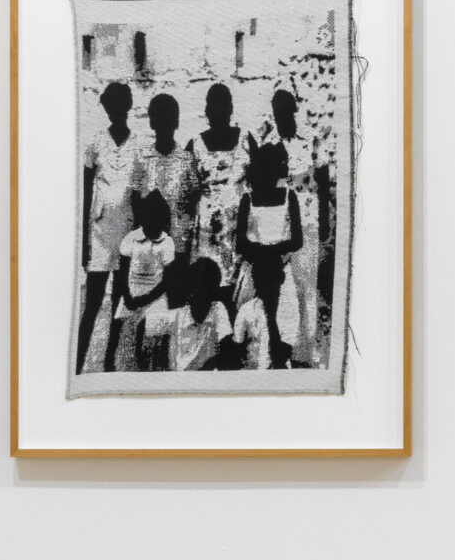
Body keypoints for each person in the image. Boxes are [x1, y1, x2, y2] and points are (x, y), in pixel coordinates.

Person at [76, 81, 140, 374]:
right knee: (92, 301)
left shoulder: (138, 145)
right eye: (110, 106)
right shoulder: (96, 143)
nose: (115, 110)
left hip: (126, 230)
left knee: (118, 301)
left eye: (120, 105)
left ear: (128, 107)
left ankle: (108, 364)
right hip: (100, 233)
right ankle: (78, 362)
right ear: (106, 108)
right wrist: (83, 243)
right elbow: (85, 194)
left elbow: (138, 194)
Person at [259, 88, 321, 365]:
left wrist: (324, 223)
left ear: (293, 111)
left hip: (307, 223)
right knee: (280, 288)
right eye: (277, 112)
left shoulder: (310, 140)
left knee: (306, 288)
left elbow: (323, 178)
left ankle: (307, 350)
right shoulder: (269, 144)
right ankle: (280, 348)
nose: (280, 116)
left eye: (285, 111)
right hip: (279, 225)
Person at [234, 141, 305, 369]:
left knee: (284, 325)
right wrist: (263, 255)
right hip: (255, 272)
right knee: (253, 324)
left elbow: (297, 240)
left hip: (280, 271)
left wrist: (270, 252)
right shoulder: (248, 199)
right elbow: (240, 242)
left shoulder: (289, 197)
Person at [188, 83, 247, 299]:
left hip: (239, 228)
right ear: (206, 110)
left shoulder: (246, 141)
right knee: (209, 287)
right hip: (208, 230)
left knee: (237, 290)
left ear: (231, 109)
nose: (218, 111)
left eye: (223, 105)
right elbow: (188, 192)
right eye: (213, 106)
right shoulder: (195, 145)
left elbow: (261, 182)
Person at [109, 191, 177, 371]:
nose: (153, 222)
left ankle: (151, 362)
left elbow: (167, 281)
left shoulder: (167, 242)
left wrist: (146, 299)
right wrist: (128, 298)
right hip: (131, 293)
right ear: (143, 217)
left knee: (156, 333)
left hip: (155, 295)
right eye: (150, 216)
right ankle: (114, 361)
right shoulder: (131, 238)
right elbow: (122, 274)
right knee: (122, 331)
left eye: (158, 217)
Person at [132, 93, 200, 266]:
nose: (164, 124)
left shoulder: (187, 160)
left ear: (176, 122)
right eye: (158, 119)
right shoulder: (142, 159)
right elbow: (135, 201)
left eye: (169, 119)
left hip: (179, 244)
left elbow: (193, 201)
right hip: (149, 244)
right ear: (151, 122)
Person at [152, 258, 236, 371]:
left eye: (208, 291)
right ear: (189, 292)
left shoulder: (218, 310)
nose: (202, 296)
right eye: (197, 290)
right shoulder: (177, 316)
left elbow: (226, 344)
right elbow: (147, 325)